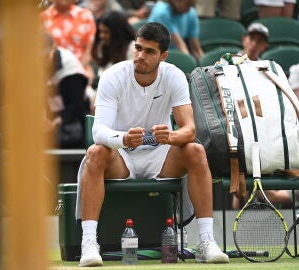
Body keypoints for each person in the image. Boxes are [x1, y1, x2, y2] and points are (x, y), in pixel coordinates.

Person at [77, 22, 229, 267]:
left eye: (149, 51)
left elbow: (189, 129)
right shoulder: (112, 76)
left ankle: (206, 241)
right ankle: (89, 243)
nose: (140, 56)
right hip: (121, 157)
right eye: (138, 48)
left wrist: (171, 137)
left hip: (161, 157)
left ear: (163, 55)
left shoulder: (175, 75)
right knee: (95, 153)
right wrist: (123, 139)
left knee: (196, 151)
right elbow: (99, 131)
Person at [41, 0, 97, 81]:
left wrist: (75, 71)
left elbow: (89, 50)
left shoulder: (85, 16)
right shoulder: (43, 18)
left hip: (80, 72)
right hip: (51, 74)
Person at [91, 10, 135, 83]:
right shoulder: (102, 47)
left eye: (106, 32)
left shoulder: (133, 49)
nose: (101, 36)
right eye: (101, 31)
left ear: (117, 32)